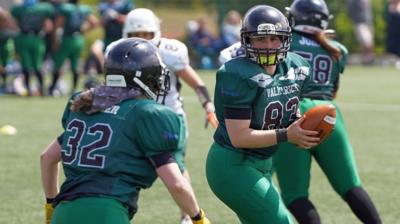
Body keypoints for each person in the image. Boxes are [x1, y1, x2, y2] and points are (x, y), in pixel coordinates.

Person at [40, 38, 210, 224]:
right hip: (106, 212)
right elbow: (176, 183)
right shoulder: (147, 114)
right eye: (154, 75)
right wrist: (198, 218)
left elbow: (47, 158)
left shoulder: (85, 103)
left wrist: (50, 205)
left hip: (63, 212)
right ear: (141, 77)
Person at [206, 5, 321, 224]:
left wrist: (299, 123)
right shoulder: (237, 74)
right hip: (232, 164)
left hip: (264, 162)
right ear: (247, 41)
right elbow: (239, 137)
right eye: (260, 39)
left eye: (274, 39)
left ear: (285, 39)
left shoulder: (296, 66)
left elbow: (288, 107)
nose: (268, 46)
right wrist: (286, 134)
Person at [273, 1, 382, 223]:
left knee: (295, 195)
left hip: (291, 114)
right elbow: (332, 90)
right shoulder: (337, 50)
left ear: (295, 17)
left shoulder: (281, 42)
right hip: (328, 114)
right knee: (351, 186)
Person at [122, 8, 217, 224]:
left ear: (155, 32)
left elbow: (196, 82)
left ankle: (187, 216)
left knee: (177, 166)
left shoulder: (170, 51)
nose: (142, 40)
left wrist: (208, 105)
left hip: (168, 117)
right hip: (134, 118)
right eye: (136, 35)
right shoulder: (119, 52)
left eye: (146, 34)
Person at [48, 0, 99, 95]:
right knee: (75, 65)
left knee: (58, 64)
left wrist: (55, 40)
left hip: (67, 39)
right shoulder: (83, 9)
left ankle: (53, 88)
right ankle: (74, 89)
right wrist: (83, 30)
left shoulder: (66, 8)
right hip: (79, 39)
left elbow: (57, 25)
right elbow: (94, 22)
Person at [10, 0, 55, 96]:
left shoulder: (19, 8)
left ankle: (28, 89)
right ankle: (42, 90)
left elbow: (14, 23)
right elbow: (49, 26)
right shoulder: (43, 8)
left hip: (24, 37)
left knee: (26, 65)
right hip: (37, 38)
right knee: (37, 65)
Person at [346, 0, 375, 65]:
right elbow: (349, 11)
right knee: (366, 41)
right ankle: (367, 59)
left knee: (369, 42)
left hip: (368, 22)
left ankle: (368, 59)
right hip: (359, 22)